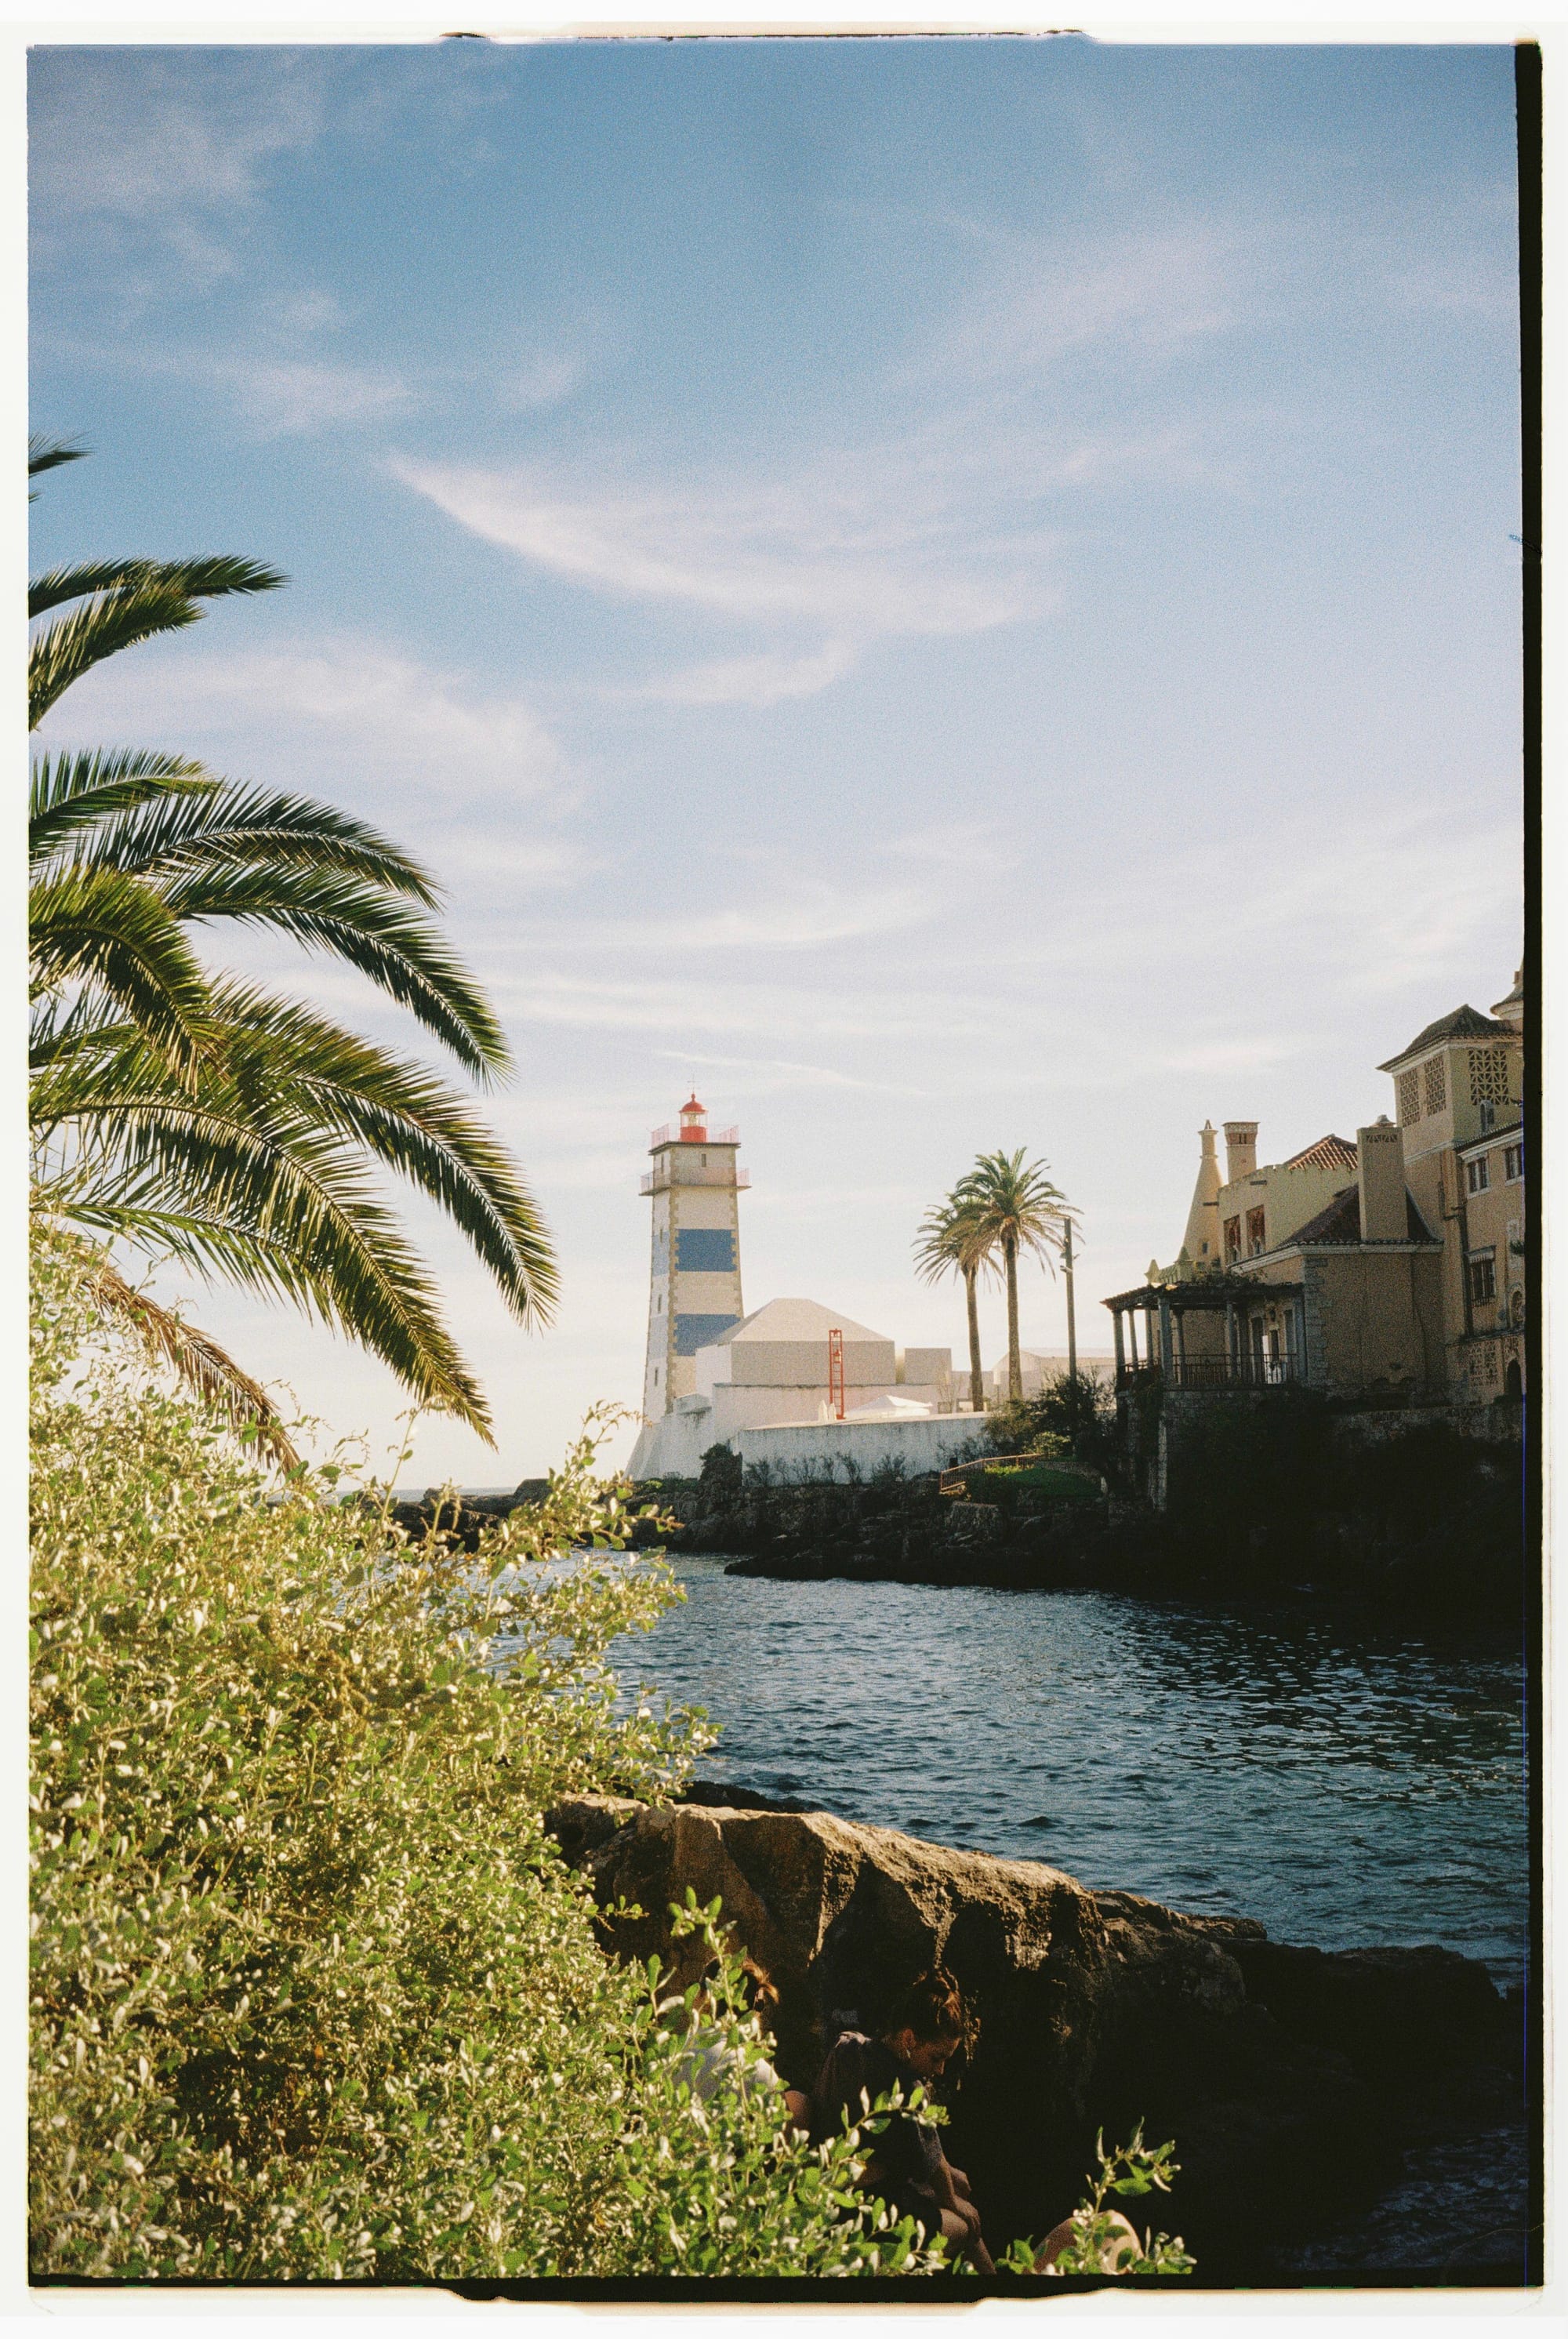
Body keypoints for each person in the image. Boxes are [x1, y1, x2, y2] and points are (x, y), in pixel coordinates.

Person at [808, 1970, 994, 2276]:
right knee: (965, 2226)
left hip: (826, 2194)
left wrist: (950, 2179)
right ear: (909, 2038)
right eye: (936, 2058)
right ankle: (996, 2285)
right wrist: (952, 2201)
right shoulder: (907, 2089)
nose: (941, 2070)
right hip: (866, 2217)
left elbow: (929, 2156)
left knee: (955, 2187)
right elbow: (931, 2167)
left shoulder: (847, 2047)